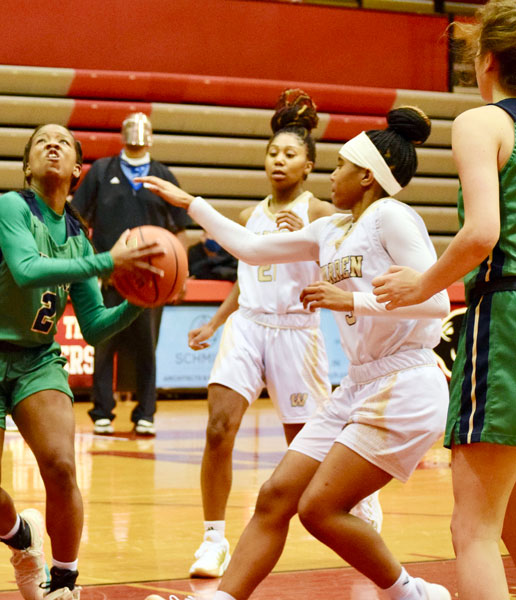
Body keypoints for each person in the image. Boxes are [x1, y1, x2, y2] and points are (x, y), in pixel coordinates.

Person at [140, 106, 452, 600]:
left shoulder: (393, 217)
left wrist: (350, 299)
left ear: (368, 176)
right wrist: (191, 203)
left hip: (406, 381)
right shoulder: (329, 232)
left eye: (342, 166)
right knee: (275, 497)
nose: (333, 175)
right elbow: (251, 247)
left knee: (319, 509)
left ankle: (410, 594)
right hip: (359, 382)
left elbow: (435, 301)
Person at [0, 123, 161, 600]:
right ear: (27, 166)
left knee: (61, 465)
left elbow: (96, 326)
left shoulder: (78, 239)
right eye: (42, 140)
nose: (53, 144)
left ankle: (63, 583)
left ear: (78, 169)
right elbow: (25, 271)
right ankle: (23, 541)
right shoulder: (11, 208)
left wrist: (141, 300)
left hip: (36, 361)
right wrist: (110, 263)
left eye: (63, 141)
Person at [372, 2, 516, 597]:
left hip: (505, 316)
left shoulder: (483, 123)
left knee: (474, 528)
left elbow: (483, 232)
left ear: (485, 61)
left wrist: (421, 284)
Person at [184, 90, 340, 579]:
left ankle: (359, 497)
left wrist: (315, 246)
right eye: (273, 152)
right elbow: (247, 275)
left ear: (308, 166)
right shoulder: (255, 214)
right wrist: (215, 321)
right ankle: (213, 540)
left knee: (305, 446)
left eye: (290, 154)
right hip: (249, 326)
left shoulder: (321, 213)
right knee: (217, 427)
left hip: (297, 332)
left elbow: (345, 270)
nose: (279, 160)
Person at [72, 112, 190, 436]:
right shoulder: (101, 170)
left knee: (146, 348)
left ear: (151, 136)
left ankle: (145, 412)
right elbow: (77, 220)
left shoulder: (163, 174)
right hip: (111, 274)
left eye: (143, 129)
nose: (137, 134)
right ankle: (102, 411)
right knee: (104, 343)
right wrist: (95, 264)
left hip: (155, 278)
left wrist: (182, 277)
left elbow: (180, 228)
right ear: (122, 135)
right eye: (131, 129)